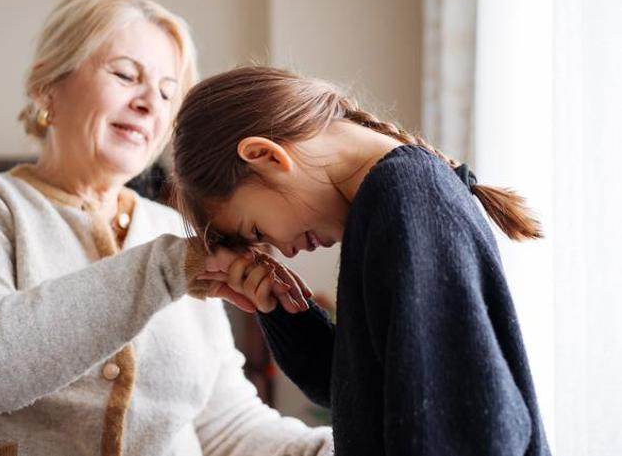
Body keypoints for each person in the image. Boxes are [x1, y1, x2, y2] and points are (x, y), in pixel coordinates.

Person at [0, 0, 330, 456]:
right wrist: (168, 269)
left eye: (168, 92)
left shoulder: (177, 230)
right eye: (125, 75)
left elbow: (227, 428)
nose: (151, 102)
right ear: (47, 87)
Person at [172, 65, 553, 455]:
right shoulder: (385, 203)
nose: (284, 251)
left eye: (256, 231)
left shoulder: (408, 199)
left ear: (265, 155)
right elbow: (362, 395)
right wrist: (281, 310)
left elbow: (464, 427)